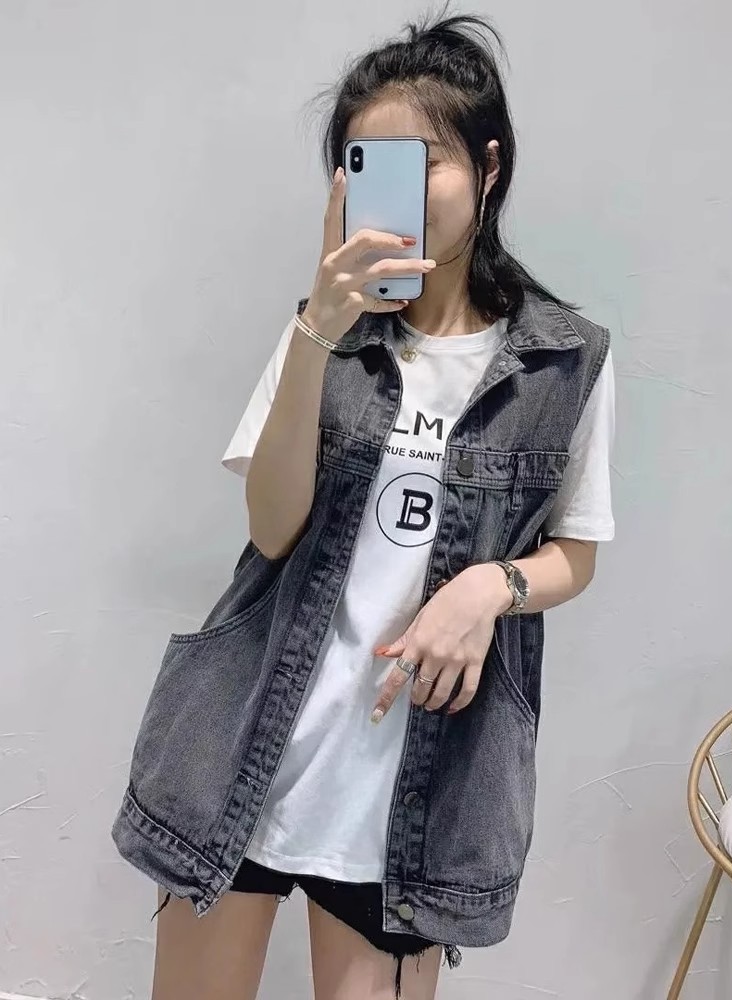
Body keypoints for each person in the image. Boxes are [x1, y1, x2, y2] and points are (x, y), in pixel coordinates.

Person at [112, 11, 615, 1000]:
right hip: (243, 749)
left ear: (489, 167)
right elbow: (271, 529)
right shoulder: (322, 332)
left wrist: (487, 588)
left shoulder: (566, 360)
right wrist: (318, 328)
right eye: (368, 165)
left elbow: (577, 554)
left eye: (427, 162)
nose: (400, 194)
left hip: (417, 792)